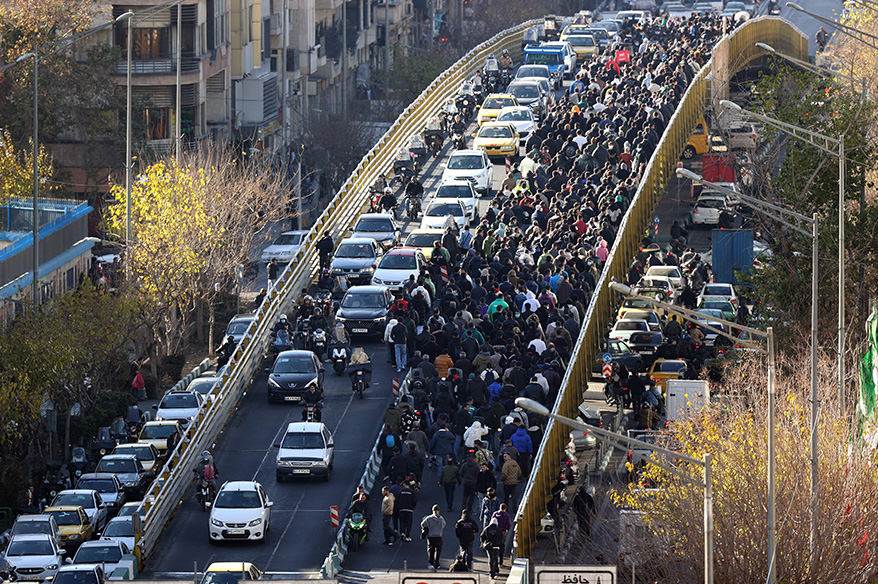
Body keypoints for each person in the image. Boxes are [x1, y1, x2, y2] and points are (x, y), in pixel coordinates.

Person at [421, 505, 446, 571]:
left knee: (430, 550)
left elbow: (422, 524)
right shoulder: (441, 518)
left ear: (432, 511)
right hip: (438, 536)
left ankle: (431, 562)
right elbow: (444, 524)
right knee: (438, 550)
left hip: (431, 536)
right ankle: (436, 562)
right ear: (439, 511)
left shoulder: (429, 518)